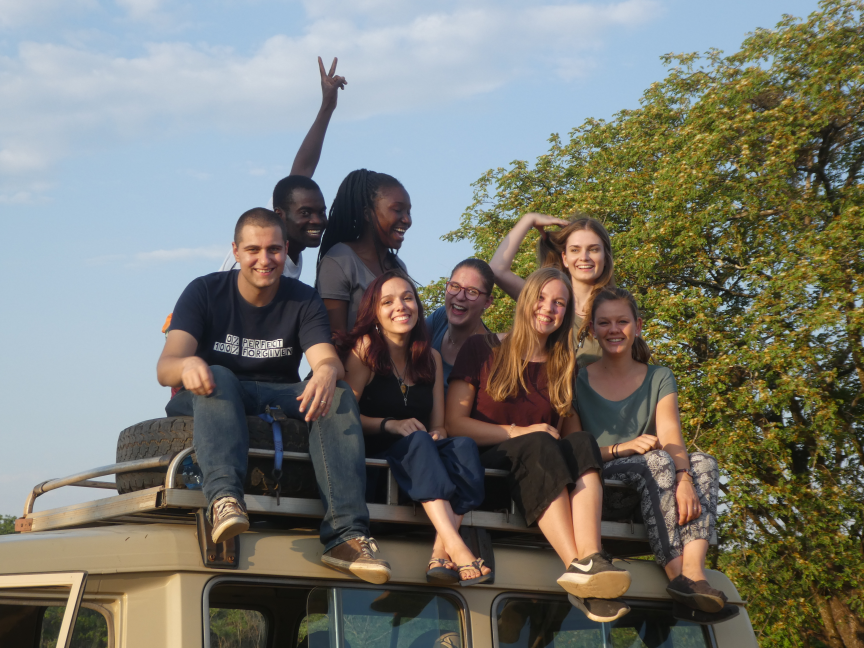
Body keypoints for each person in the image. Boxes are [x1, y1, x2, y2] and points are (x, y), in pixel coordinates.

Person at [157, 208, 391, 584]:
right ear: (236, 251)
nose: (264, 259)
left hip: (277, 393)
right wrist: (187, 366)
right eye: (253, 249)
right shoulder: (204, 290)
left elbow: (326, 359)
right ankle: (224, 500)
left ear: (285, 250)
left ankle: (346, 536)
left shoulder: (303, 298)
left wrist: (327, 370)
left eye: (274, 250)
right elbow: (165, 367)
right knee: (219, 375)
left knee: (338, 393)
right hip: (212, 392)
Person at [445, 268, 632, 623]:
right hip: (487, 472)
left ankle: (591, 557)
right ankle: (574, 566)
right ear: (526, 300)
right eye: (542, 298)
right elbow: (455, 424)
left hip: (539, 471)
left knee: (581, 441)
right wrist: (519, 431)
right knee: (538, 441)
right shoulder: (482, 348)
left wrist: (620, 448)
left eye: (559, 303)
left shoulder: (563, 362)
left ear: (565, 313)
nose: (549, 308)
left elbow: (571, 439)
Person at [573, 287, 736, 625]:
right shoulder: (576, 378)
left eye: (622, 321)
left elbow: (671, 435)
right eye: (604, 323)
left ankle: (694, 574)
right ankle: (678, 579)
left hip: (654, 487)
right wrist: (621, 448)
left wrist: (685, 479)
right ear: (591, 330)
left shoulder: (659, 376)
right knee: (658, 460)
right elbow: (572, 448)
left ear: (638, 326)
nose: (614, 330)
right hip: (602, 486)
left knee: (703, 462)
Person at [338, 270, 492, 585]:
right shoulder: (365, 349)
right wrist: (390, 425)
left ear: (418, 308)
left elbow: (439, 427)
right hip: (380, 467)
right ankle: (457, 546)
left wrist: (437, 435)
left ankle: (440, 550)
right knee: (419, 441)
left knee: (463, 446)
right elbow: (343, 418)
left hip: (421, 460)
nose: (401, 306)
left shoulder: (430, 358)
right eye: (388, 302)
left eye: (408, 298)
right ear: (374, 312)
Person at [219, 57, 346, 279]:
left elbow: (303, 170)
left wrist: (328, 106)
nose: (317, 220)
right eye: (305, 213)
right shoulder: (259, 255)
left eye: (321, 212)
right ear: (279, 215)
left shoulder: (289, 247)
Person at [489, 213, 615, 369]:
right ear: (565, 258)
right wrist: (529, 219)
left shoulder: (617, 310)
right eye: (575, 250)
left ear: (605, 257)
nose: (584, 257)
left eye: (593, 249)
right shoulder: (543, 302)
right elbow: (497, 270)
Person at [315, 169, 411, 335]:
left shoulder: (399, 267)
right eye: (397, 210)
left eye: (408, 212)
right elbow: (335, 338)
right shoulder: (339, 261)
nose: (407, 220)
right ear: (367, 214)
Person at [425, 259, 494, 392]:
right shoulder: (439, 318)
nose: (460, 297)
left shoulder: (490, 353)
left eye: (472, 291)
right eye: (455, 286)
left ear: (487, 302)